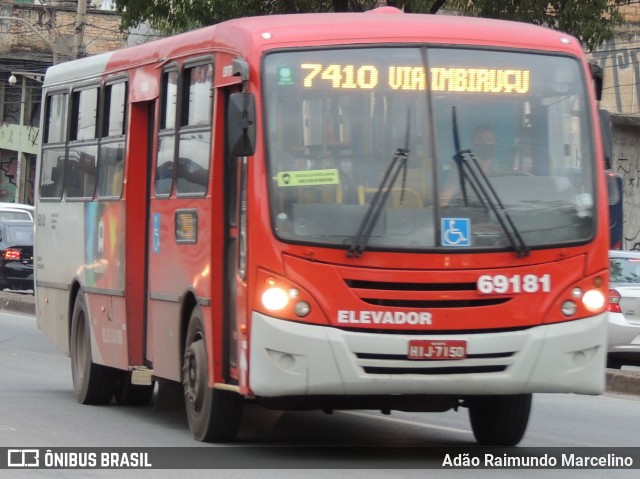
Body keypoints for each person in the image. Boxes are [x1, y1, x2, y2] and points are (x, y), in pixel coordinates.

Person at [439, 125, 498, 206]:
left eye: (489, 140)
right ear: (472, 143)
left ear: (495, 143)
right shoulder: (462, 169)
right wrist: (443, 202)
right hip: (470, 212)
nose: (485, 143)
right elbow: (449, 190)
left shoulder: (503, 169)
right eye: (480, 140)